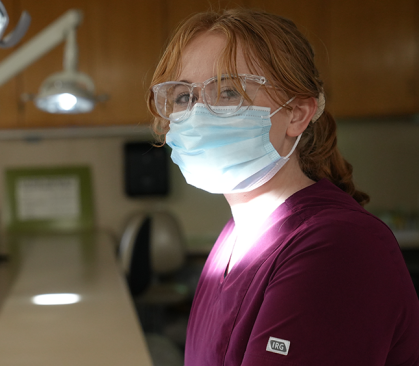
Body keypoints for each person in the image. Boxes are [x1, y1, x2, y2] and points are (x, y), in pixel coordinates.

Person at [147, 8, 419, 366]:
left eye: (228, 92)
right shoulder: (237, 236)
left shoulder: (340, 244)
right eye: (184, 97)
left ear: (297, 114)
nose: (198, 114)